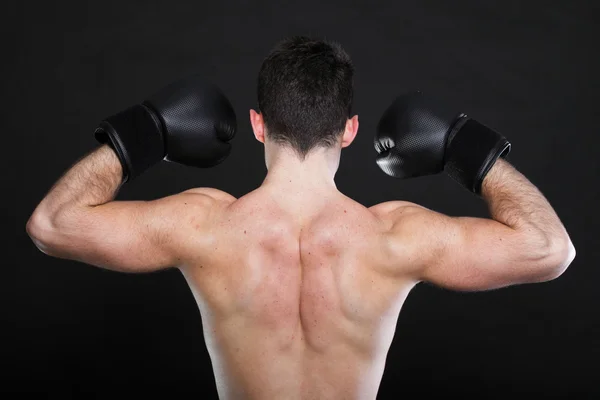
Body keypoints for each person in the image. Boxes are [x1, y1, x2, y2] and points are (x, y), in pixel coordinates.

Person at [26, 36, 575, 399]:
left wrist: (146, 131)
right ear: (351, 130)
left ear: (259, 124)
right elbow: (550, 250)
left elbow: (52, 225)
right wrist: (463, 146)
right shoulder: (396, 236)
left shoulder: (202, 225)